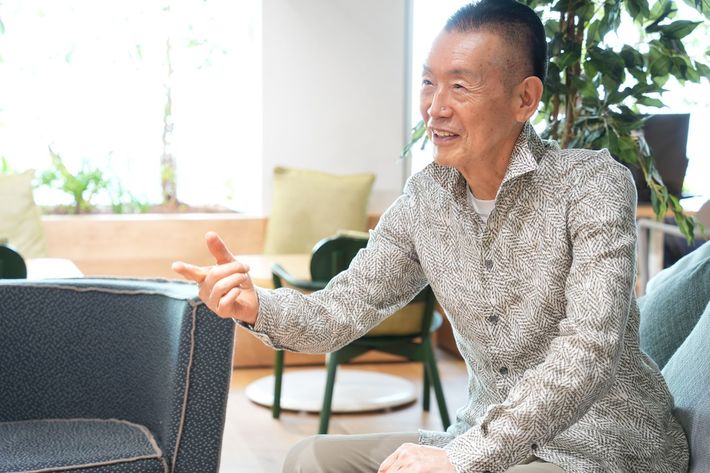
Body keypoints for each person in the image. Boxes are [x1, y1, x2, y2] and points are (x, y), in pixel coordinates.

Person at [173, 1, 689, 472]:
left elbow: (588, 351)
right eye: (428, 83)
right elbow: (339, 311)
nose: (435, 107)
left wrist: (460, 458)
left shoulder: (593, 184)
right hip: (480, 436)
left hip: (604, 445)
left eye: (460, 87)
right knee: (311, 459)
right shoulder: (424, 200)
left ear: (524, 98)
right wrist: (255, 307)